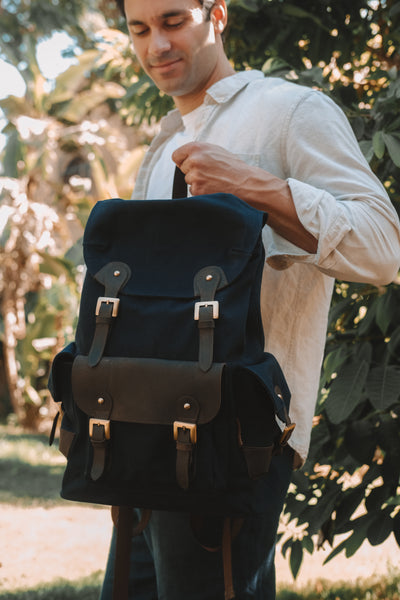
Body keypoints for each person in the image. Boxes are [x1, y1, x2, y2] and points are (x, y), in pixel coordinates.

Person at [99, 0, 400, 598]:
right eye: (139, 29)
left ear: (218, 14)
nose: (156, 44)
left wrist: (256, 187)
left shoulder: (290, 112)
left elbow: (383, 247)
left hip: (236, 435)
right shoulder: (160, 150)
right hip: (143, 428)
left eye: (173, 21)